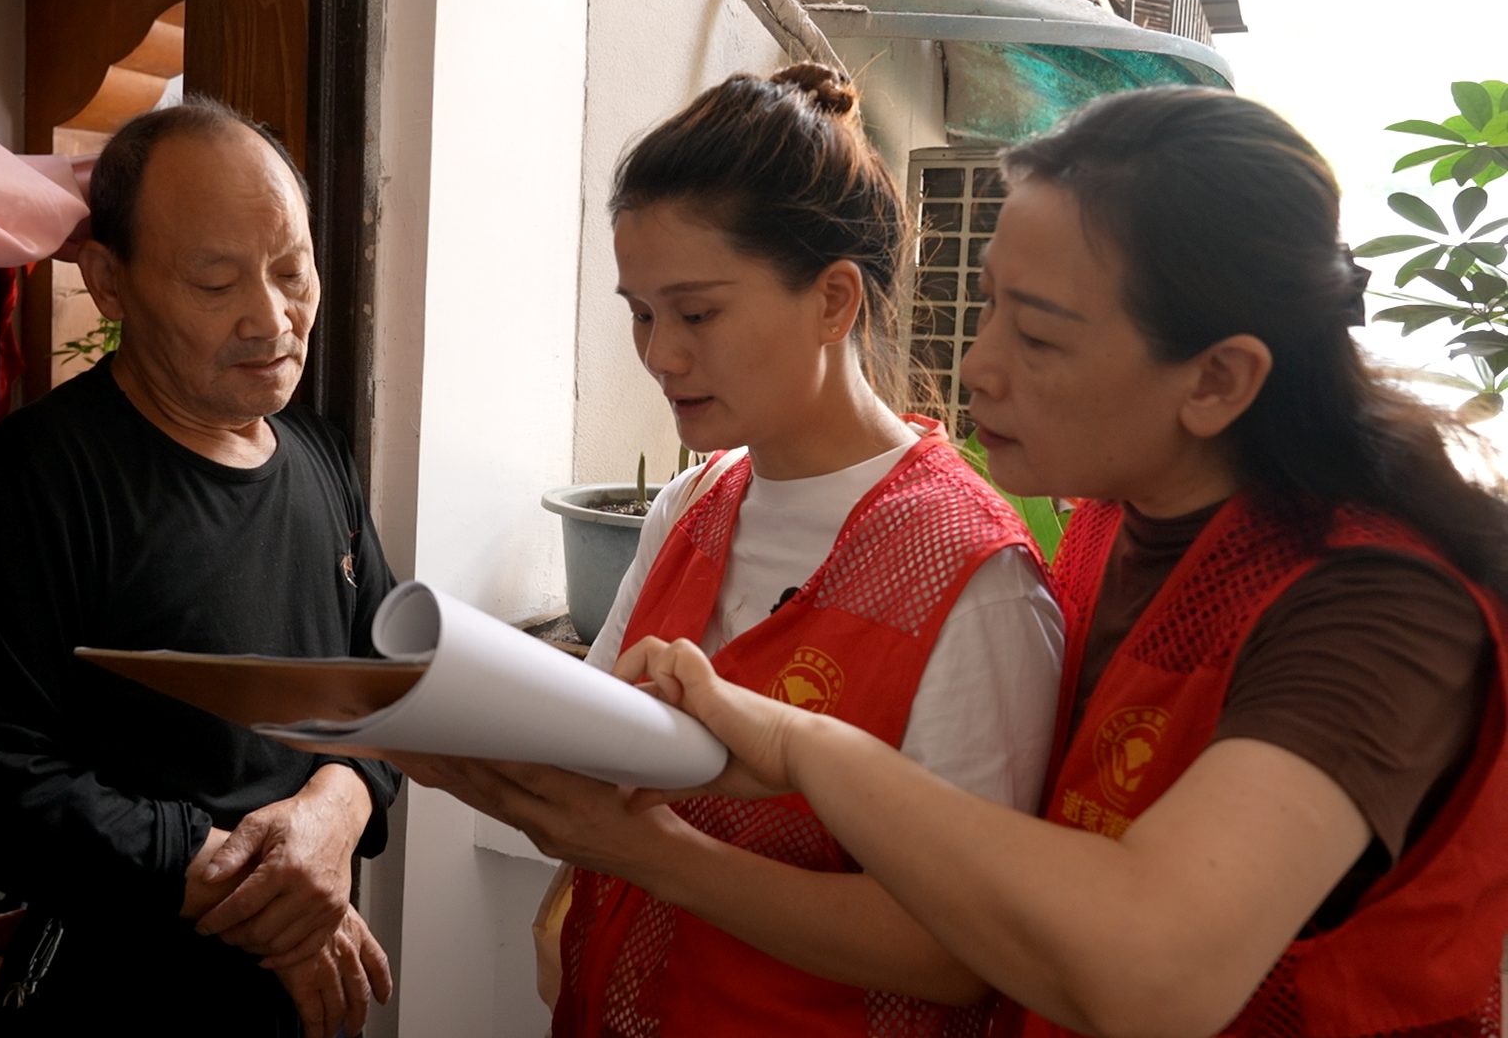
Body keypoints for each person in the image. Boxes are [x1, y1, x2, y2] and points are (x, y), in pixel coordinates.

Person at [616, 85, 1508, 1038]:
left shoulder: (1379, 610)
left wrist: (803, 749)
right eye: (991, 304)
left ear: (1217, 380)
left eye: (1038, 335)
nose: (978, 367)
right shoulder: (1112, 522)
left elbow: (1155, 969)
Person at [409, 63, 1066, 1037]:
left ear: (834, 301)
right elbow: (594, 765)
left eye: (698, 313)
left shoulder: (976, 579)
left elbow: (954, 953)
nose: (660, 355)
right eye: (640, 313)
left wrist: (653, 856)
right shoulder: (693, 504)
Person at [0, 100, 397, 1038]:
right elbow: (2, 784)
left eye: (292, 270)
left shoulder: (318, 453)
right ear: (108, 282)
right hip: (117, 993)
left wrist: (332, 816)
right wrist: (275, 897)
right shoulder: (45, 473)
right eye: (214, 282)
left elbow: (390, 682)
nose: (271, 318)